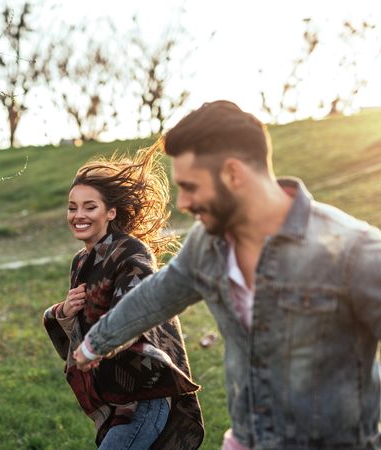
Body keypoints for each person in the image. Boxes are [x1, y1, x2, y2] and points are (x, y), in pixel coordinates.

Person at [73, 100, 381, 450]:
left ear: (234, 174)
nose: (184, 203)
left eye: (190, 186)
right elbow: (157, 294)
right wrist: (98, 341)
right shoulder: (209, 245)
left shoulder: (353, 251)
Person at [43, 144, 204, 449]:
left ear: (111, 211)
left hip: (145, 395)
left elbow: (139, 308)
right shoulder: (81, 261)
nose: (78, 215)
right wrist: (64, 311)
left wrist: (102, 341)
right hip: (115, 396)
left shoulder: (131, 251)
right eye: (72, 207)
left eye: (90, 207)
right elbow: (80, 328)